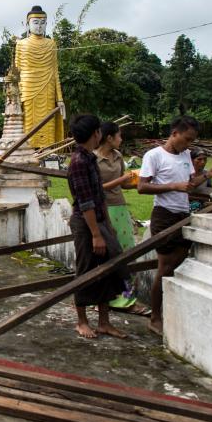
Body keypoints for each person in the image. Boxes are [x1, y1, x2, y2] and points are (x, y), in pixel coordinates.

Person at [137, 116, 212, 335]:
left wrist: (208, 175)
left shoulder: (185, 157)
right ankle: (155, 317)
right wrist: (172, 186)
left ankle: (169, 310)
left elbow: (189, 185)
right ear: (174, 133)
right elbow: (142, 187)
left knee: (177, 266)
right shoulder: (154, 156)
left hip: (183, 214)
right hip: (163, 215)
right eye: (186, 139)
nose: (188, 144)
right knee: (165, 267)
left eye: (192, 140)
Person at [66, 114, 129, 339]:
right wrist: (96, 234)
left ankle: (104, 322)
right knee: (85, 271)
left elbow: (99, 196)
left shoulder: (90, 159)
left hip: (100, 220)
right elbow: (85, 202)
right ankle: (82, 321)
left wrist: (108, 227)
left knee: (109, 268)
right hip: (86, 224)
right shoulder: (79, 162)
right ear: (96, 133)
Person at [95, 122, 147, 314]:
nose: (121, 139)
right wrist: (121, 180)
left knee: (127, 253)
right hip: (102, 210)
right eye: (119, 136)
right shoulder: (93, 159)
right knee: (104, 256)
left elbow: (122, 186)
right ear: (109, 137)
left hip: (119, 208)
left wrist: (139, 183)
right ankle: (102, 298)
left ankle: (126, 299)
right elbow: (96, 189)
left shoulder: (118, 157)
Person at [14, 5, 66, 149]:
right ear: (27, 24)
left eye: (42, 23)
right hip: (27, 87)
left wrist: (60, 98)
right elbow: (16, 72)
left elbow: (55, 71)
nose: (39, 26)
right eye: (35, 22)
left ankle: (48, 152)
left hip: (47, 87)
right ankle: (28, 150)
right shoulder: (21, 44)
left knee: (47, 121)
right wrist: (15, 96)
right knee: (28, 121)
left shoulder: (51, 44)